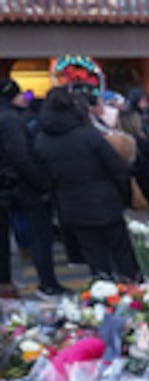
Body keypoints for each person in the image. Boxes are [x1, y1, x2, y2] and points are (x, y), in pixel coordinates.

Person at [34, 85, 139, 281]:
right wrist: (123, 197)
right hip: (106, 202)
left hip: (71, 207)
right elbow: (117, 169)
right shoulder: (88, 135)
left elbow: (43, 177)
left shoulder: (42, 140)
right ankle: (134, 297)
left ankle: (105, 300)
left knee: (96, 260)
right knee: (123, 257)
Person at [0, 78, 67, 298]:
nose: (25, 99)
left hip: (7, 185)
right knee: (40, 235)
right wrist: (42, 183)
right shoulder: (10, 120)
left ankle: (5, 285)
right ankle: (47, 283)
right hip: (22, 185)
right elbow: (21, 157)